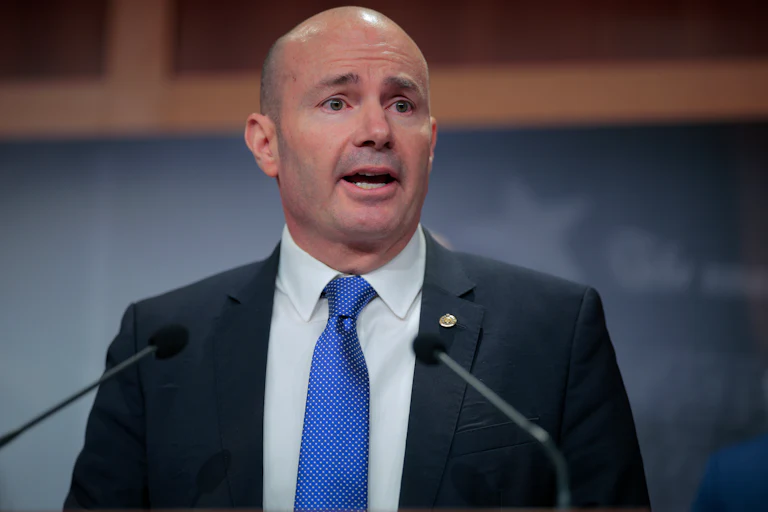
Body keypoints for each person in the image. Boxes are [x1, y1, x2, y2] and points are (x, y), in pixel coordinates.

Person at [64, 6, 650, 510]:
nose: (376, 130)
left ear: (431, 141)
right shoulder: (162, 347)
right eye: (337, 101)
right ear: (267, 144)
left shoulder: (553, 332)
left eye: (401, 105)